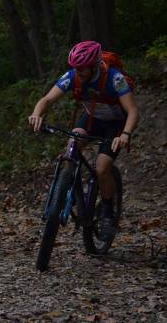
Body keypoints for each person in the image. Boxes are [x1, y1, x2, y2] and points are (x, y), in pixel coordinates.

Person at [28, 40, 140, 241]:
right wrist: (37, 114)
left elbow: (132, 110)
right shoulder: (73, 75)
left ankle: (107, 213)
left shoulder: (115, 79)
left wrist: (125, 134)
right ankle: (66, 188)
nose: (78, 72)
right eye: (75, 68)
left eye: (82, 68)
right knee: (71, 147)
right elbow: (47, 99)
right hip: (91, 119)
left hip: (115, 124)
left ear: (94, 65)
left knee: (102, 168)